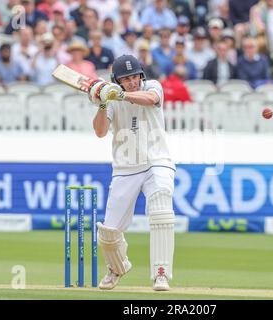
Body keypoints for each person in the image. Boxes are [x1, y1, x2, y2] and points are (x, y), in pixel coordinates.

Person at [89, 54, 176, 291]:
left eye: (135, 76)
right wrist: (103, 102)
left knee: (161, 210)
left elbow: (150, 99)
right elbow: (99, 131)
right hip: (125, 168)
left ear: (141, 75)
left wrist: (120, 94)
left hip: (157, 160)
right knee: (108, 233)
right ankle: (117, 267)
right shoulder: (112, 98)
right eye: (126, 79)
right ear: (117, 80)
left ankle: (161, 274)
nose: (132, 81)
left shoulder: (152, 86)